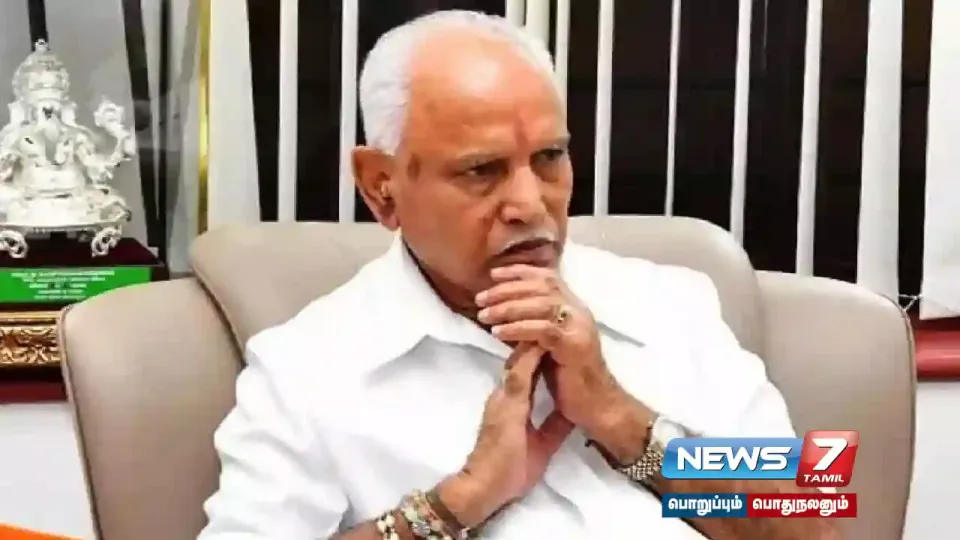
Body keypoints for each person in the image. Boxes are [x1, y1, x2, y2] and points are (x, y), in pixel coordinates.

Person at [198, 10, 840, 540]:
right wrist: (457, 503)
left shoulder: (670, 304)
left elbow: (813, 526)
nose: (531, 204)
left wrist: (621, 418)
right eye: (481, 170)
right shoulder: (306, 370)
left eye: (550, 157)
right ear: (381, 186)